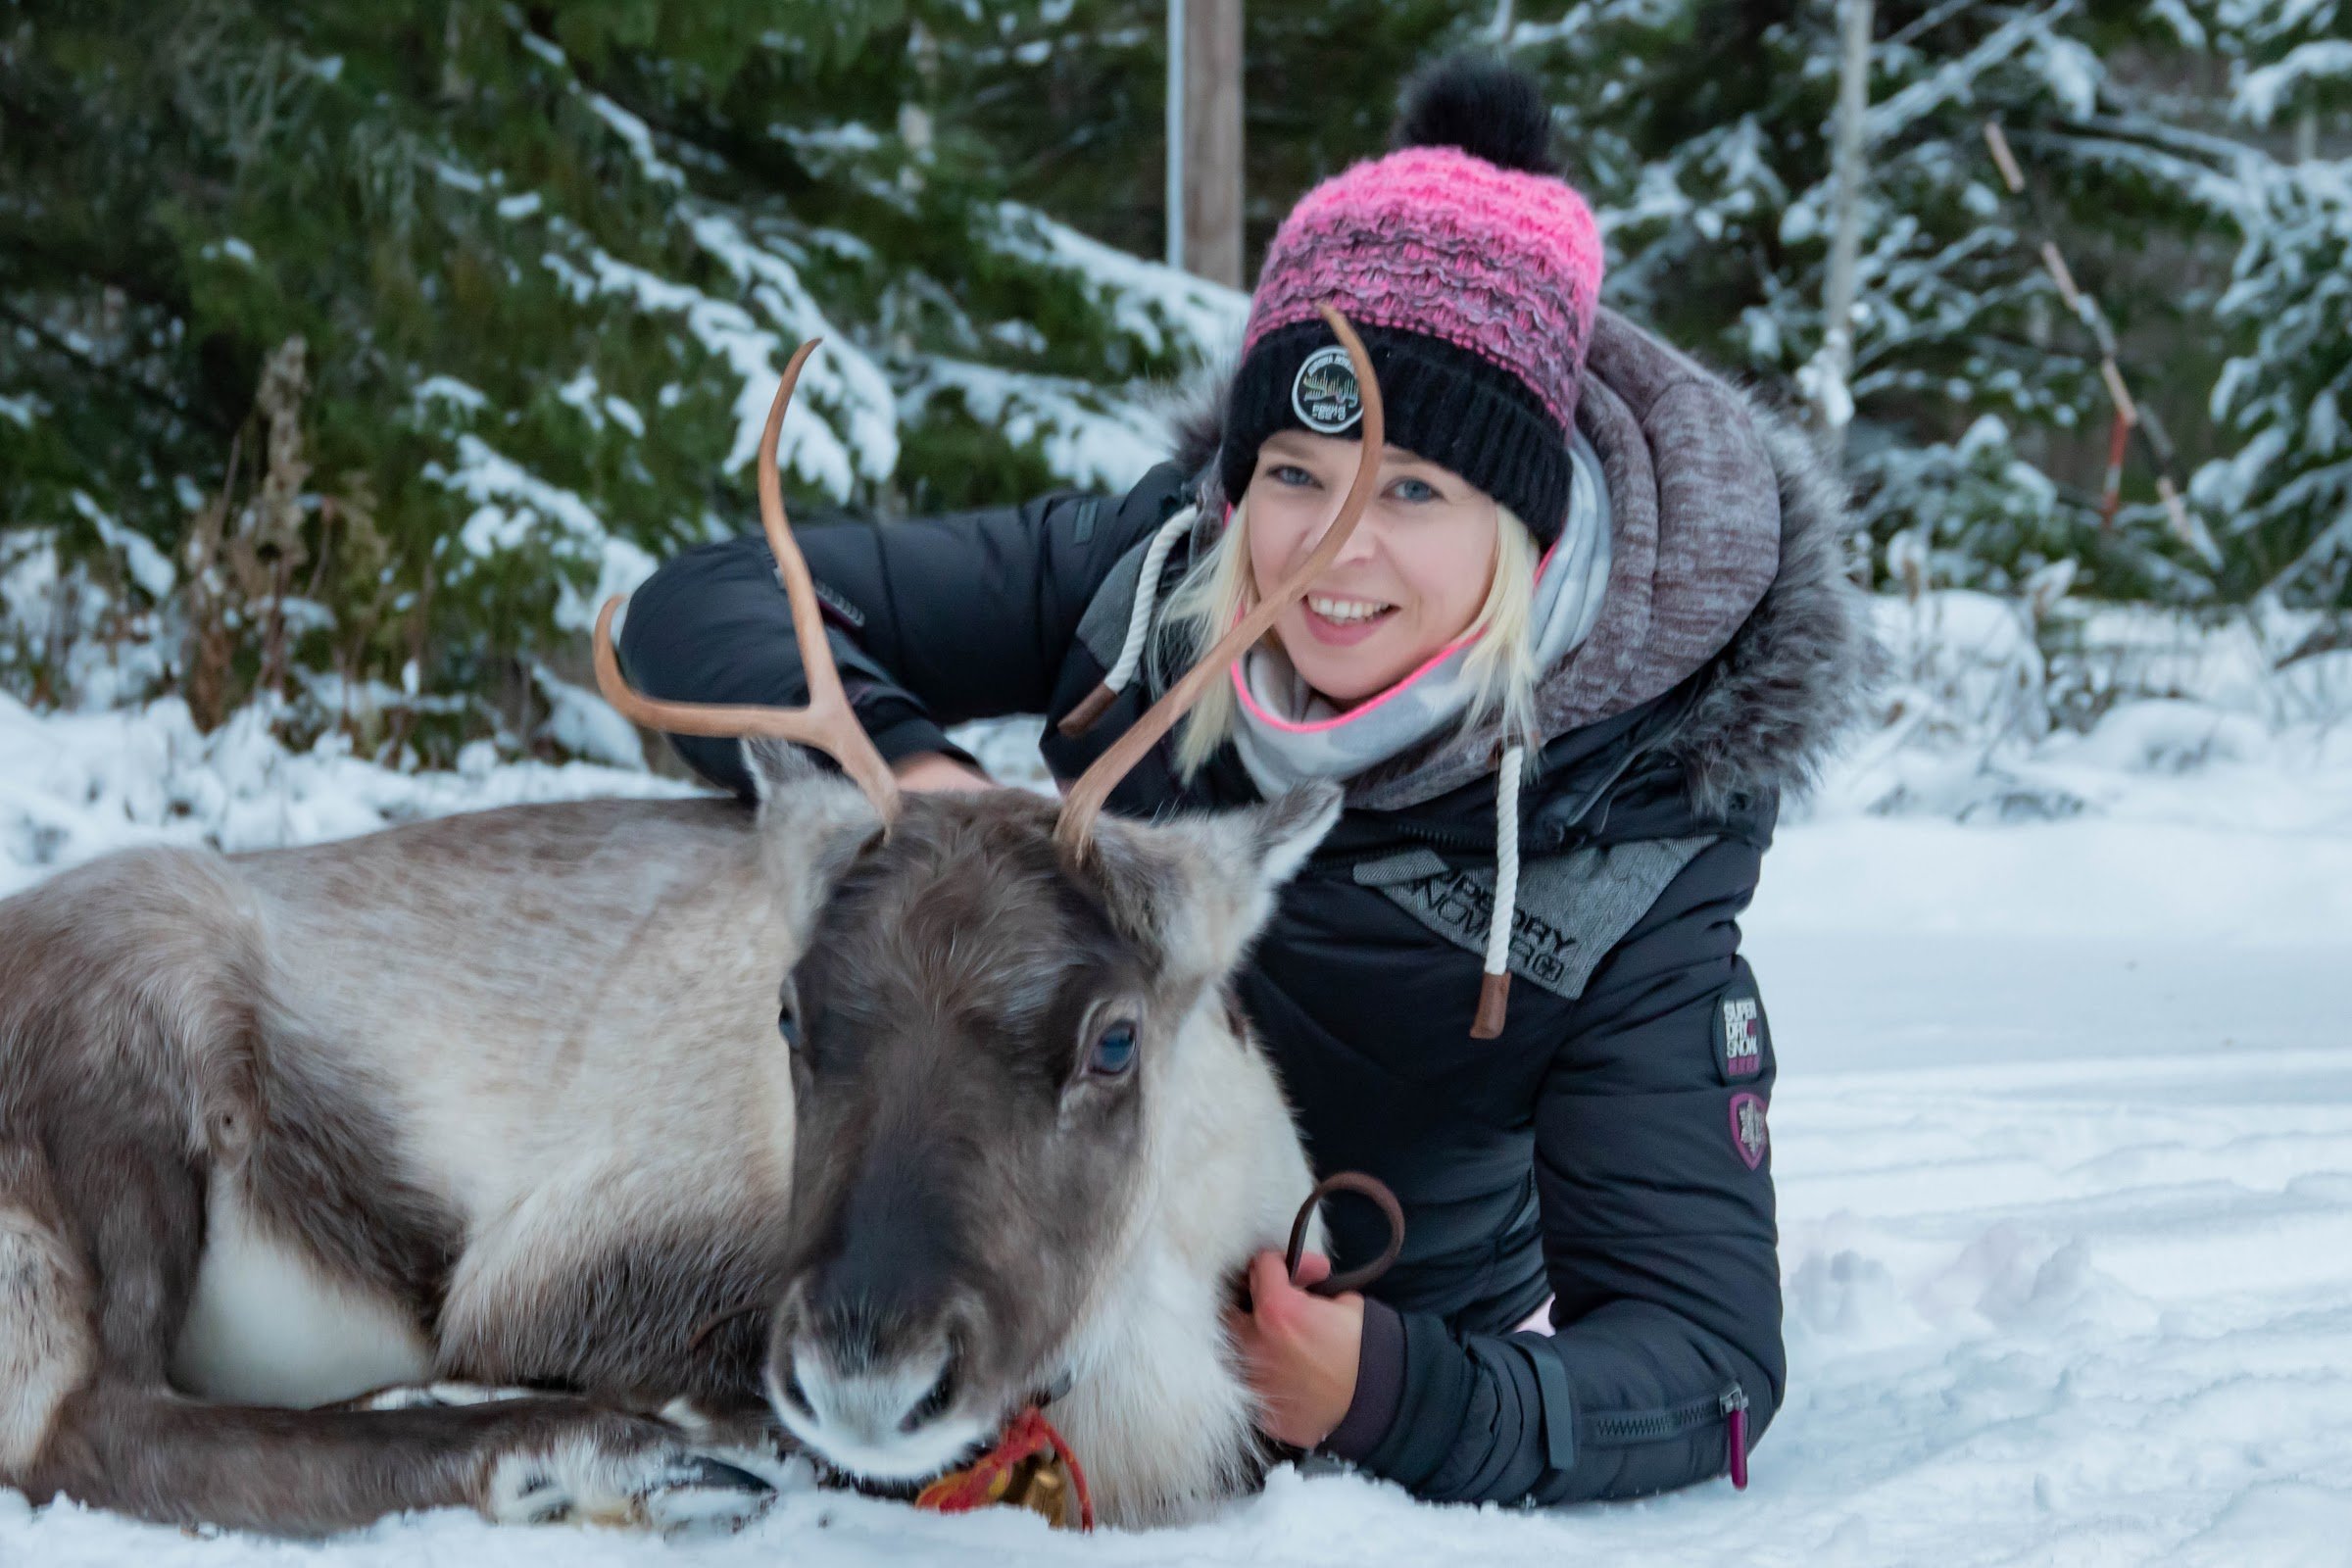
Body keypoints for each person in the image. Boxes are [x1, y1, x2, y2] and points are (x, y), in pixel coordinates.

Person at [618, 53, 1869, 1505]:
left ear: (1524, 533)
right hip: (979, 1210)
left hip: (1287, 1324)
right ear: (1236, 482)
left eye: (1411, 490)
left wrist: (1388, 1388)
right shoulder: (1144, 586)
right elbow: (708, 603)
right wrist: (922, 776)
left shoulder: (1631, 836)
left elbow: (1701, 1365)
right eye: (1296, 472)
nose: (1335, 549)